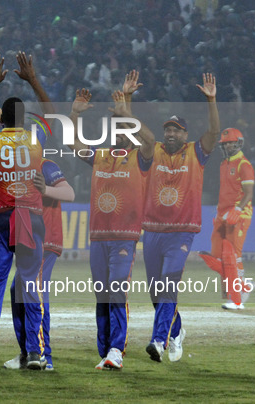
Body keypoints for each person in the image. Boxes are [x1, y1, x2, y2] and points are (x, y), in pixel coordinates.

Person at [64, 70, 155, 370]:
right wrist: (74, 116)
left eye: (123, 129)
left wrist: (128, 112)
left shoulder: (140, 159)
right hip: (98, 237)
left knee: (117, 289)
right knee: (102, 294)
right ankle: (105, 349)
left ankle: (117, 349)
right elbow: (75, 146)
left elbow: (151, 139)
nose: (118, 133)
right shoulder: (100, 155)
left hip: (125, 237)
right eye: (115, 128)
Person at [0, 52, 52, 370]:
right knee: (31, 283)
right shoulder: (35, 137)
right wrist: (33, 79)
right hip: (29, 216)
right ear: (24, 118)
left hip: (0, 218)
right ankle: (35, 352)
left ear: (1, 119)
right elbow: (51, 113)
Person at [142, 73, 220, 363]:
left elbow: (214, 131)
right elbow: (143, 136)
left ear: (186, 135)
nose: (171, 134)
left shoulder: (196, 152)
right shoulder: (154, 152)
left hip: (182, 233)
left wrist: (211, 100)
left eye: (177, 130)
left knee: (168, 284)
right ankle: (176, 331)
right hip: (151, 231)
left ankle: (158, 341)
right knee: (155, 292)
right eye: (168, 130)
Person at [4, 159, 75, 371]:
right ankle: (28, 352)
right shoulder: (16, 168)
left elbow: (69, 193)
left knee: (35, 292)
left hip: (45, 240)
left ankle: (44, 355)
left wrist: (45, 189)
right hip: (29, 240)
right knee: (18, 290)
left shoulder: (46, 165)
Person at [199, 128, 255, 310]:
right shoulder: (224, 164)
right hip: (222, 215)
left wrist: (237, 210)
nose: (229, 145)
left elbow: (248, 193)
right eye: (225, 143)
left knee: (232, 255)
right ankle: (244, 286)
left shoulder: (244, 165)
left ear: (239, 143)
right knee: (217, 258)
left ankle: (238, 297)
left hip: (239, 215)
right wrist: (219, 213)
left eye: (232, 142)